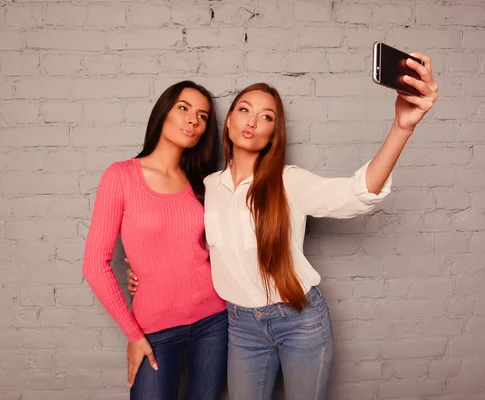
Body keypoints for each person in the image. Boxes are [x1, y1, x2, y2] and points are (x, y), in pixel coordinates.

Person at [127, 53, 439, 399]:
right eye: (244, 110)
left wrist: (402, 127)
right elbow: (186, 244)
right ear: (228, 122)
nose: (253, 122)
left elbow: (357, 194)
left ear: (273, 135)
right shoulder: (207, 187)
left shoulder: (289, 182)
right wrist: (143, 271)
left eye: (267, 117)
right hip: (241, 327)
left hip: (300, 320)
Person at [82, 81, 228, 400]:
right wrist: (134, 335)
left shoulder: (202, 183)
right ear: (163, 112)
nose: (193, 120)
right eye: (184, 108)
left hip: (213, 322)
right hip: (153, 330)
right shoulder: (121, 176)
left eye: (202, 116)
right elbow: (94, 266)